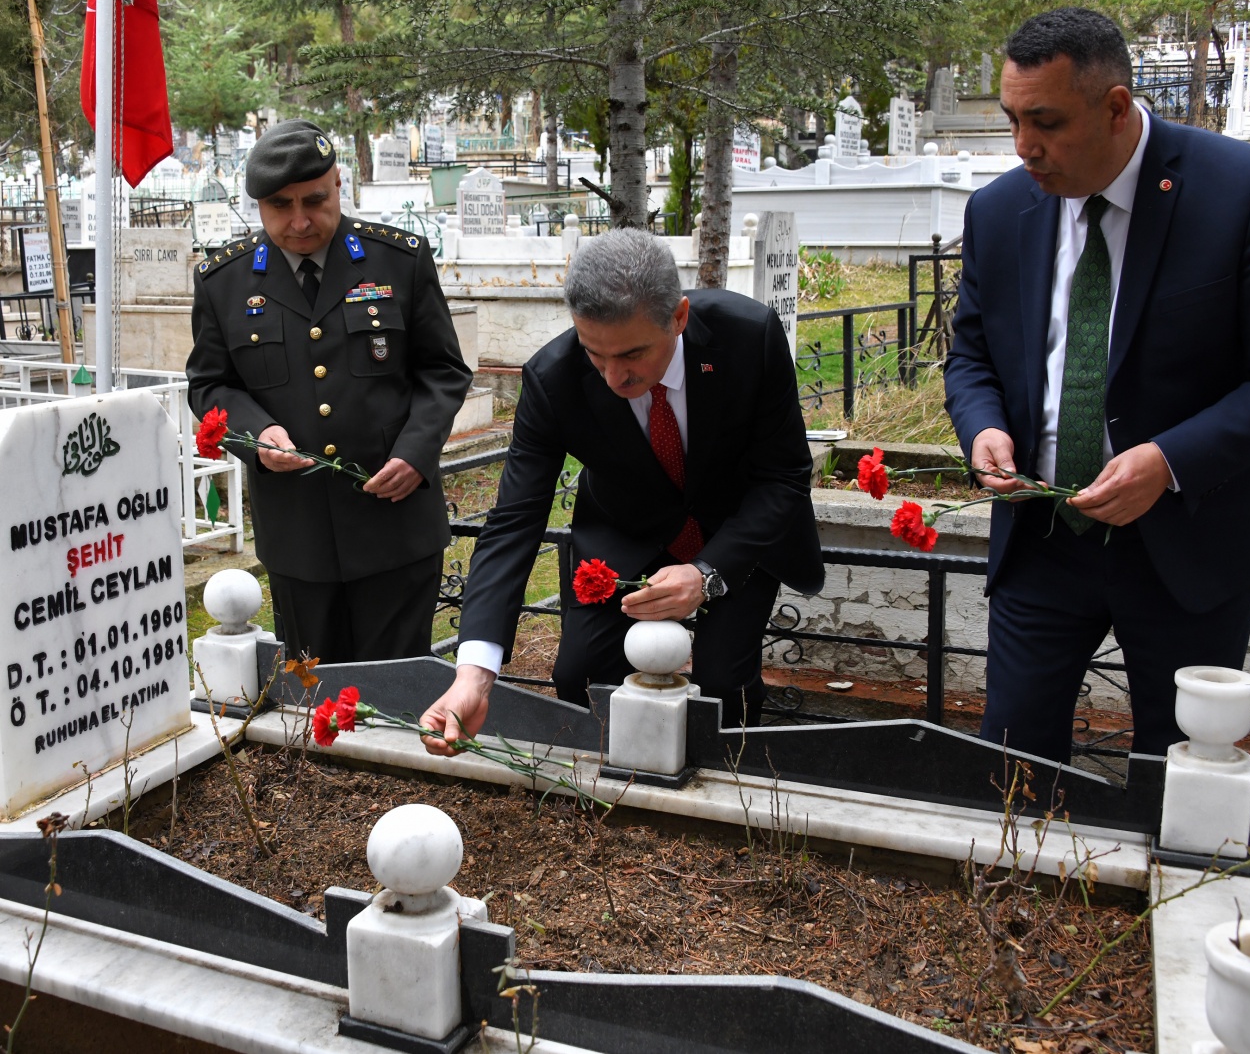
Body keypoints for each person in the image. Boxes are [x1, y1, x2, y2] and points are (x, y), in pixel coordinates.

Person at [943, 8, 1250, 763]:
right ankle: (1024, 885)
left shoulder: (1240, 189)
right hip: (1044, 534)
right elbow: (971, 357)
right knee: (1009, 763)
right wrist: (983, 425)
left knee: (1178, 771)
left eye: (1047, 122)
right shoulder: (998, 210)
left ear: (1116, 107)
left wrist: (1167, 460)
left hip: (1191, 542)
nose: (1024, 146)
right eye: (1012, 119)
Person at [417, 229, 825, 754]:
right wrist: (474, 674)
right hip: (625, 529)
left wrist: (707, 572)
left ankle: (730, 780)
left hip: (736, 529)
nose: (613, 376)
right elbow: (515, 521)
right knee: (582, 674)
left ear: (678, 318)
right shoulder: (553, 378)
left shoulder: (748, 337)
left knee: (724, 681)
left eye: (632, 354)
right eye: (594, 353)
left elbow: (785, 475)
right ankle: (616, 789)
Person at [187, 119, 472, 663]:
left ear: (338, 184)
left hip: (395, 525)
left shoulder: (398, 259)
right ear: (259, 206)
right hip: (299, 534)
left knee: (397, 697)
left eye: (314, 200)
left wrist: (415, 454)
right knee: (316, 700)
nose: (299, 222)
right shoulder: (225, 281)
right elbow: (209, 384)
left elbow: (444, 371)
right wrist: (256, 434)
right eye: (279, 206)